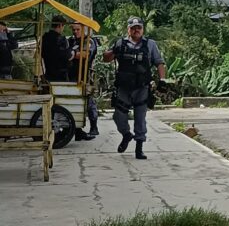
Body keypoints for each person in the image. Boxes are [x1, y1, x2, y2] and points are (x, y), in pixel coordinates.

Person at [103, 16, 166, 159]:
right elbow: (106, 59)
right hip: (124, 87)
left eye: (139, 28)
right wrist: (113, 51)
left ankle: (139, 148)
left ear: (142, 29)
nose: (136, 30)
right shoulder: (120, 43)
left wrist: (162, 80)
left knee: (140, 118)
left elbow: (159, 63)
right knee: (118, 116)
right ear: (128, 30)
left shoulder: (150, 44)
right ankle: (126, 135)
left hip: (141, 87)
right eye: (133, 28)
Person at [41, 15, 94, 141]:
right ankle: (75, 129)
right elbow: (66, 55)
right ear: (60, 26)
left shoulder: (45, 38)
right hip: (61, 75)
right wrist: (74, 54)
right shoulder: (61, 39)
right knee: (66, 102)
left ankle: (77, 131)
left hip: (49, 74)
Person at [68, 22, 99, 137]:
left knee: (88, 101)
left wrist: (71, 54)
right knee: (73, 102)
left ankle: (94, 127)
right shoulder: (71, 40)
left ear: (83, 29)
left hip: (85, 75)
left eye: (77, 30)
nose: (75, 32)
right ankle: (77, 129)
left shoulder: (89, 41)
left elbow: (86, 54)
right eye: (73, 30)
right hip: (71, 75)